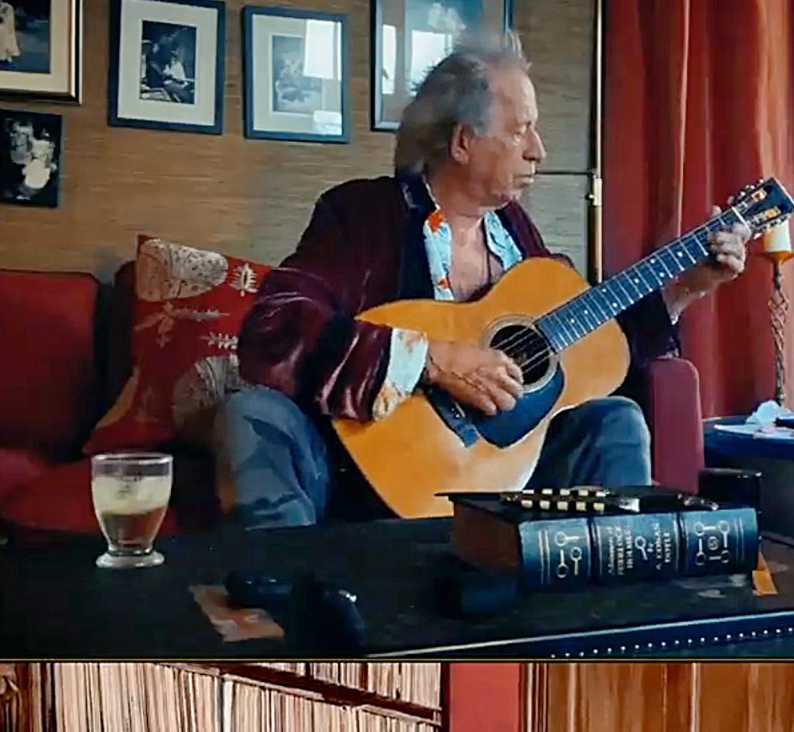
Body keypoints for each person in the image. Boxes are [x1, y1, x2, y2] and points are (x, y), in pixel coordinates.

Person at [212, 34, 752, 527]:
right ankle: (284, 618)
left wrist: (687, 288)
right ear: (464, 142)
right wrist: (433, 360)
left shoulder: (518, 234)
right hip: (363, 475)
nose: (539, 149)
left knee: (614, 418)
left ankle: (603, 612)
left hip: (506, 477)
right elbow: (274, 328)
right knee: (251, 414)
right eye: (520, 131)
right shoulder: (363, 213)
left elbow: (593, 358)